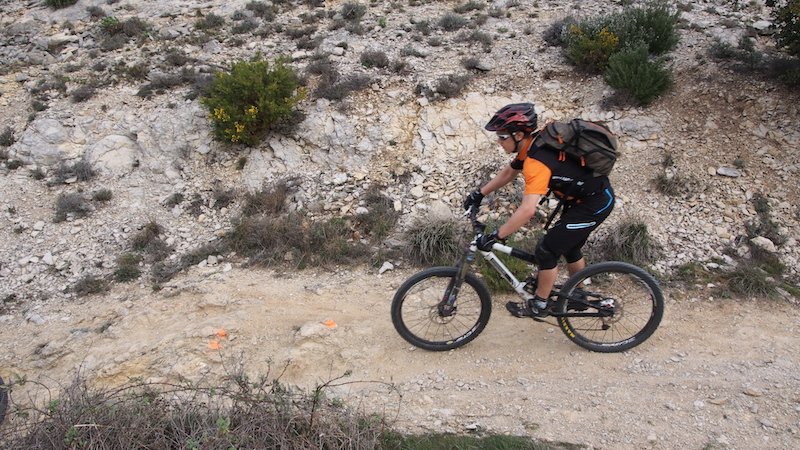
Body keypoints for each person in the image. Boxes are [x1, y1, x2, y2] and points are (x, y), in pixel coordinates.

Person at [462, 103, 615, 318]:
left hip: (595, 203)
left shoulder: (536, 163)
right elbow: (509, 172)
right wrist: (479, 193)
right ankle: (579, 296)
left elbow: (527, 210)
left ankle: (540, 305)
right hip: (580, 200)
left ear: (518, 135)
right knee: (570, 248)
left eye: (502, 137)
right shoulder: (533, 145)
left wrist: (497, 235)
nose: (499, 142)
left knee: (547, 250)